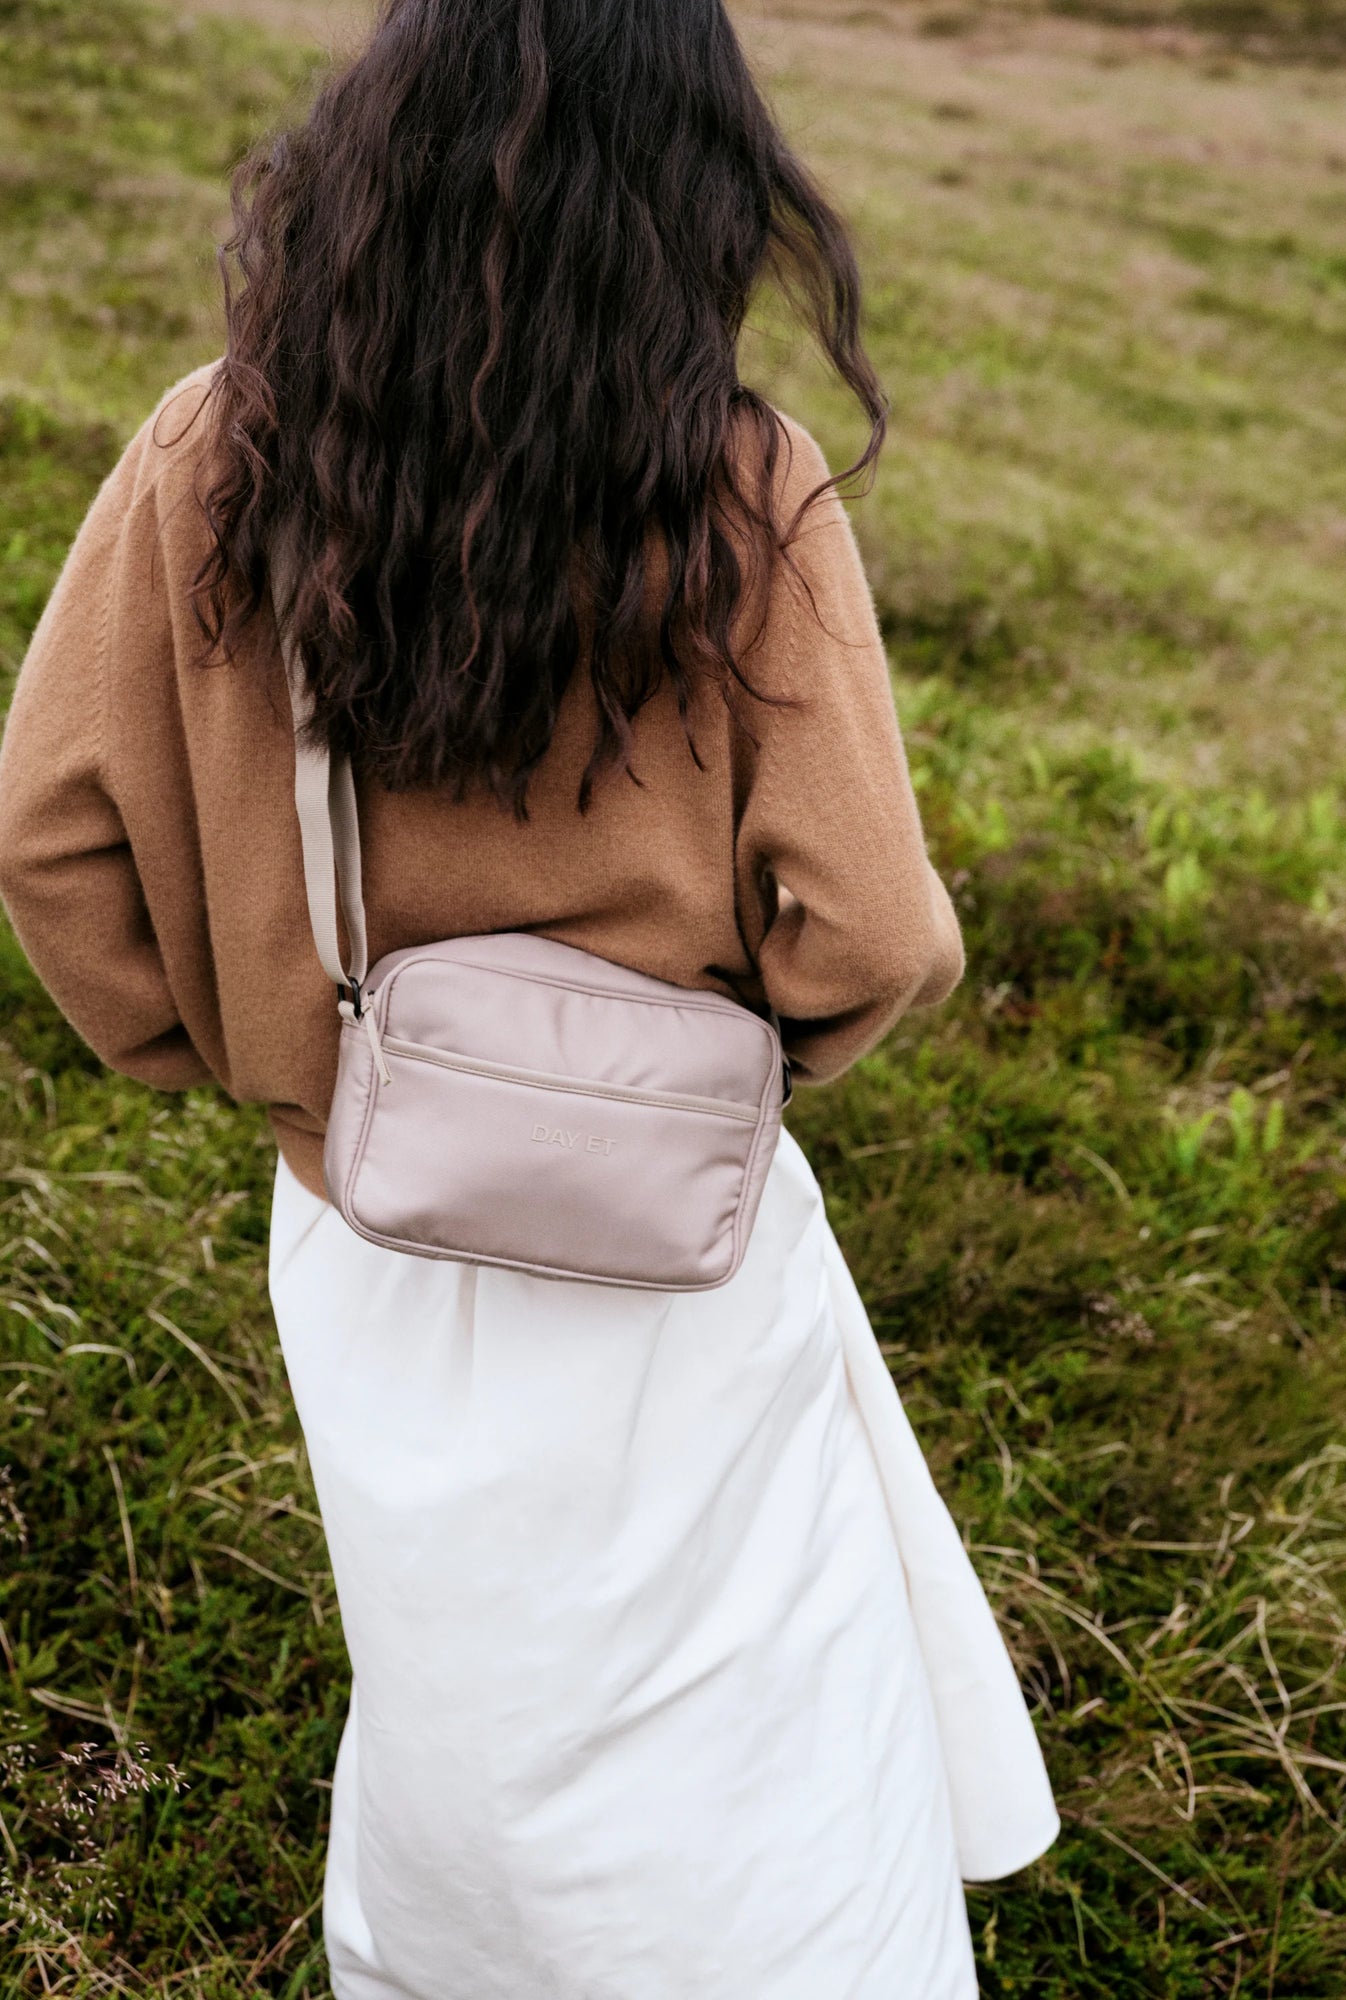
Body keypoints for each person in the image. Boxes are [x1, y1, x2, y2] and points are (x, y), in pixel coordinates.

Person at [0, 0, 1057, 1993]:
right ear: (697, 181)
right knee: (743, 1704)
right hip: (675, 1230)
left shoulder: (215, 449)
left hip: (361, 1203)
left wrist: (255, 1066)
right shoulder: (737, 482)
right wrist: (728, 1073)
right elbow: (876, 934)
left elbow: (50, 837)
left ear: (376, 140)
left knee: (457, 1680)